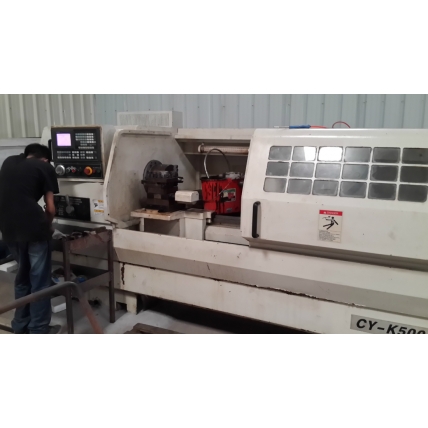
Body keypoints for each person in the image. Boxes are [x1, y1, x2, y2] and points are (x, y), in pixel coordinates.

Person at [0, 143, 61, 334]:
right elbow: (50, 208)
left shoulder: (9, 162)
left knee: (22, 278)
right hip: (35, 230)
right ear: (45, 160)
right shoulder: (45, 167)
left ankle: (20, 326)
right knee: (40, 282)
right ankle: (39, 329)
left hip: (8, 229)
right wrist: (48, 226)